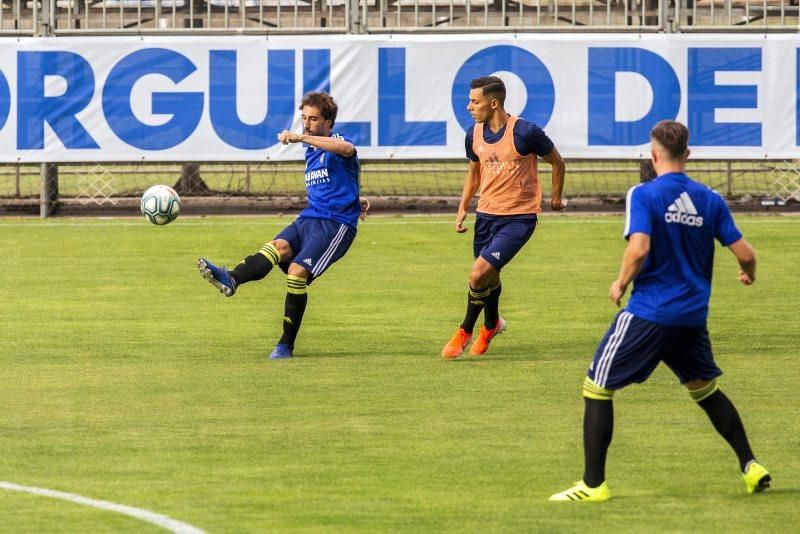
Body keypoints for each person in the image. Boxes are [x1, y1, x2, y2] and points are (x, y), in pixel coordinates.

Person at [550, 120, 770, 502]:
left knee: (597, 386)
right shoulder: (710, 200)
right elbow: (747, 255)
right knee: (705, 390)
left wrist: (620, 282)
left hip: (651, 312)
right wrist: (746, 274)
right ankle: (751, 465)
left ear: (653, 156)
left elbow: (639, 248)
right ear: (687, 154)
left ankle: (593, 485)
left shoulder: (644, 194)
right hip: (691, 316)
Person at [198, 92, 367, 359]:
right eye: (304, 119)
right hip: (309, 217)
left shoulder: (334, 141)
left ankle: (285, 345)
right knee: (277, 248)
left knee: (297, 273)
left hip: (335, 225)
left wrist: (301, 136)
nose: (307, 123)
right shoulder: (311, 149)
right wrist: (357, 196)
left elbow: (348, 151)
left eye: (313, 119)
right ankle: (232, 278)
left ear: (329, 123)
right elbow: (342, 179)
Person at [441, 76, 566, 358]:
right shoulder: (473, 135)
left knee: (477, 274)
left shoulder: (526, 132)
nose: (469, 106)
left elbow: (558, 162)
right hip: (486, 216)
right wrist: (463, 206)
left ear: (493, 102)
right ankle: (493, 324)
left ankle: (465, 330)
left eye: (475, 101)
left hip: (519, 218)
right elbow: (474, 172)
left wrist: (556, 199)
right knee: (489, 276)